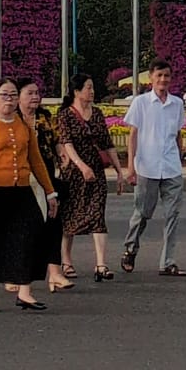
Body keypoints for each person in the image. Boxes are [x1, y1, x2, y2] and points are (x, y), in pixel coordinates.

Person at [0, 77, 58, 313]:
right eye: (4, 95)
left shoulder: (23, 125)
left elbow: (36, 160)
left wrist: (50, 192)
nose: (9, 100)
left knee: (30, 236)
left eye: (14, 95)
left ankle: (25, 292)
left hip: (21, 192)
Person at [121, 57, 186, 276]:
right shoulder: (141, 102)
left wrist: (180, 158)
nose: (163, 79)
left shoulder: (176, 104)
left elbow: (178, 133)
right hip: (147, 167)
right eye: (159, 75)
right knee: (142, 213)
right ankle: (131, 248)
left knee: (172, 215)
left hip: (171, 168)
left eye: (166, 76)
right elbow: (133, 136)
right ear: (151, 78)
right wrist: (130, 167)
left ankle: (167, 261)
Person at [58, 73, 124, 282]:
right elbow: (67, 143)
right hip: (74, 173)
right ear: (76, 91)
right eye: (88, 87)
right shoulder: (65, 115)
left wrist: (119, 170)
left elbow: (107, 143)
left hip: (96, 172)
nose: (92, 91)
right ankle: (66, 262)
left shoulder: (96, 113)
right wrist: (81, 166)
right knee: (70, 216)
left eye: (92, 87)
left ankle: (101, 264)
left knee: (97, 215)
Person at [17, 77, 74, 293]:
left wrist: (61, 152)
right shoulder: (11, 120)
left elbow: (56, 140)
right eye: (29, 93)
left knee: (52, 223)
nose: (34, 97)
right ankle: (16, 273)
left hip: (46, 175)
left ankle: (55, 273)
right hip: (21, 179)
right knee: (23, 228)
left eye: (36, 92)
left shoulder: (45, 117)